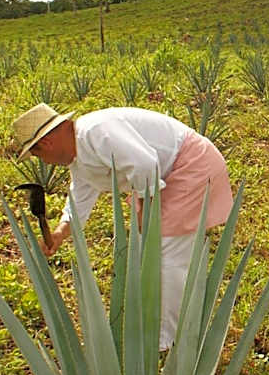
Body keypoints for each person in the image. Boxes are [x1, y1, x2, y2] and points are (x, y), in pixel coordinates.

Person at [12, 103, 233, 351]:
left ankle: (170, 339)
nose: (45, 161)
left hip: (190, 165)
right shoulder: (78, 153)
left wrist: (148, 210)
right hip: (162, 178)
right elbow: (81, 194)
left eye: (38, 155)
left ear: (46, 144)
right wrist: (60, 232)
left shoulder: (96, 132)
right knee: (151, 253)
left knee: (166, 252)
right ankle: (158, 325)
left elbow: (145, 165)